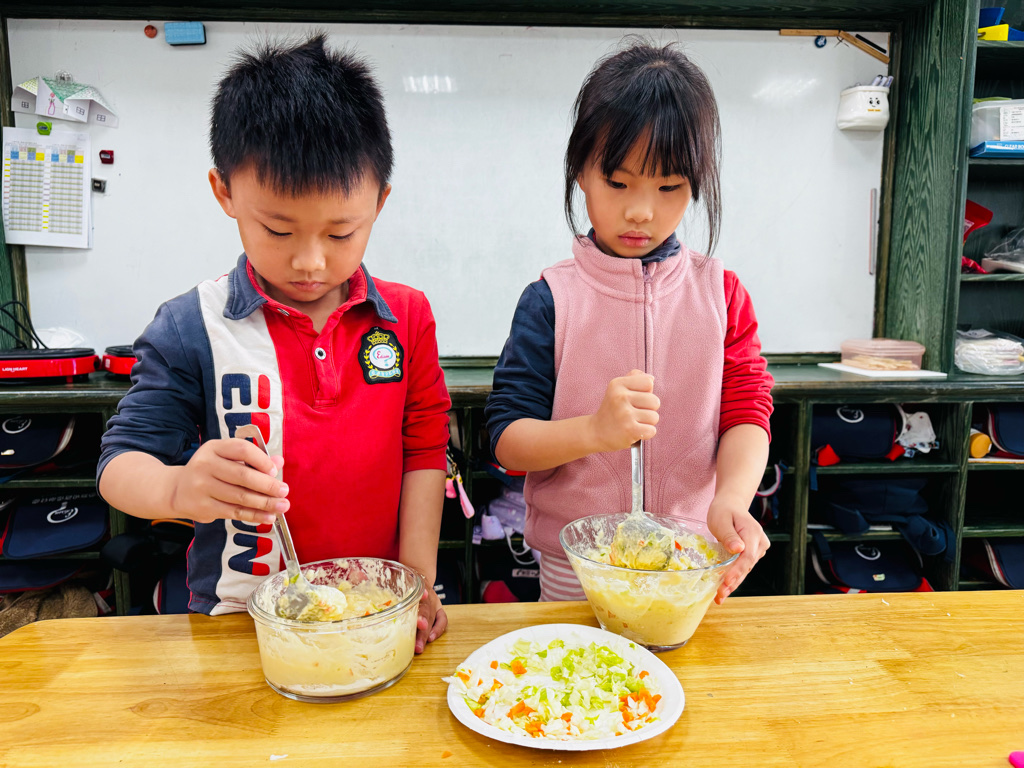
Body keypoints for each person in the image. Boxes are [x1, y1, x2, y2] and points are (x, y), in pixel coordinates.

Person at [98, 34, 451, 652]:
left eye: (341, 233)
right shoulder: (191, 325)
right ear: (225, 192)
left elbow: (424, 449)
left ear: (380, 202)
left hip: (374, 609)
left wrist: (417, 581)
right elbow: (119, 465)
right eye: (278, 230)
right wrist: (179, 489)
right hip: (239, 619)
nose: (310, 261)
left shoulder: (406, 317)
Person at [485, 41, 774, 603]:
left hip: (690, 557)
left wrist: (732, 500)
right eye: (618, 183)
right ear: (581, 173)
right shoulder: (550, 300)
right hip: (577, 567)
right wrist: (593, 432)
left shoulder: (722, 294)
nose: (642, 211)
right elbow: (507, 440)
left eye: (669, 188)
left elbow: (747, 410)